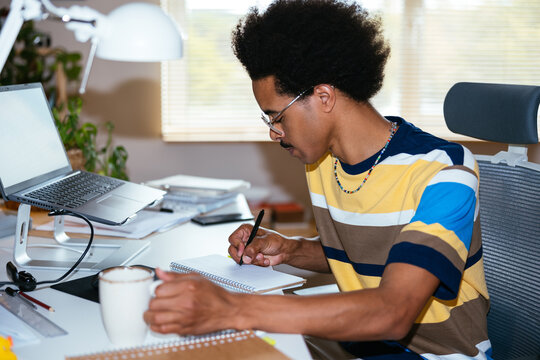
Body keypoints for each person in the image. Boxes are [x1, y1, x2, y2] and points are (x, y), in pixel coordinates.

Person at [144, 1, 492, 358]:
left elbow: (394, 311)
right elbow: (371, 253)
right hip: (361, 346)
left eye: (276, 117)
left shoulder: (443, 171)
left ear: (323, 97)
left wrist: (232, 307)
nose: (274, 133)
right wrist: (290, 248)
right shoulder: (323, 162)